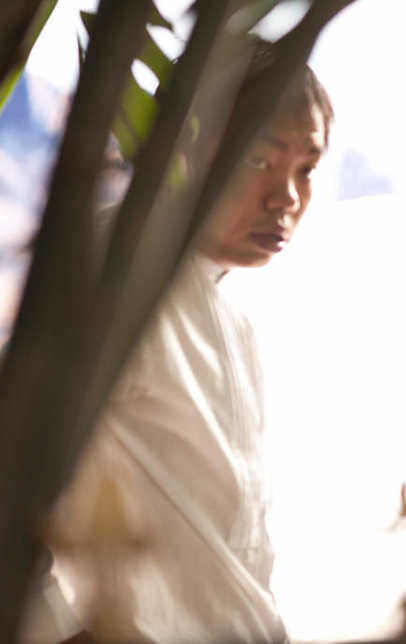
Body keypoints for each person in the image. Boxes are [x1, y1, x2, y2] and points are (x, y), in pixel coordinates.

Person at [18, 42, 334, 643]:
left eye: (306, 168)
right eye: (257, 160)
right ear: (183, 149)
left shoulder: (228, 315)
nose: (286, 197)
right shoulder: (115, 284)